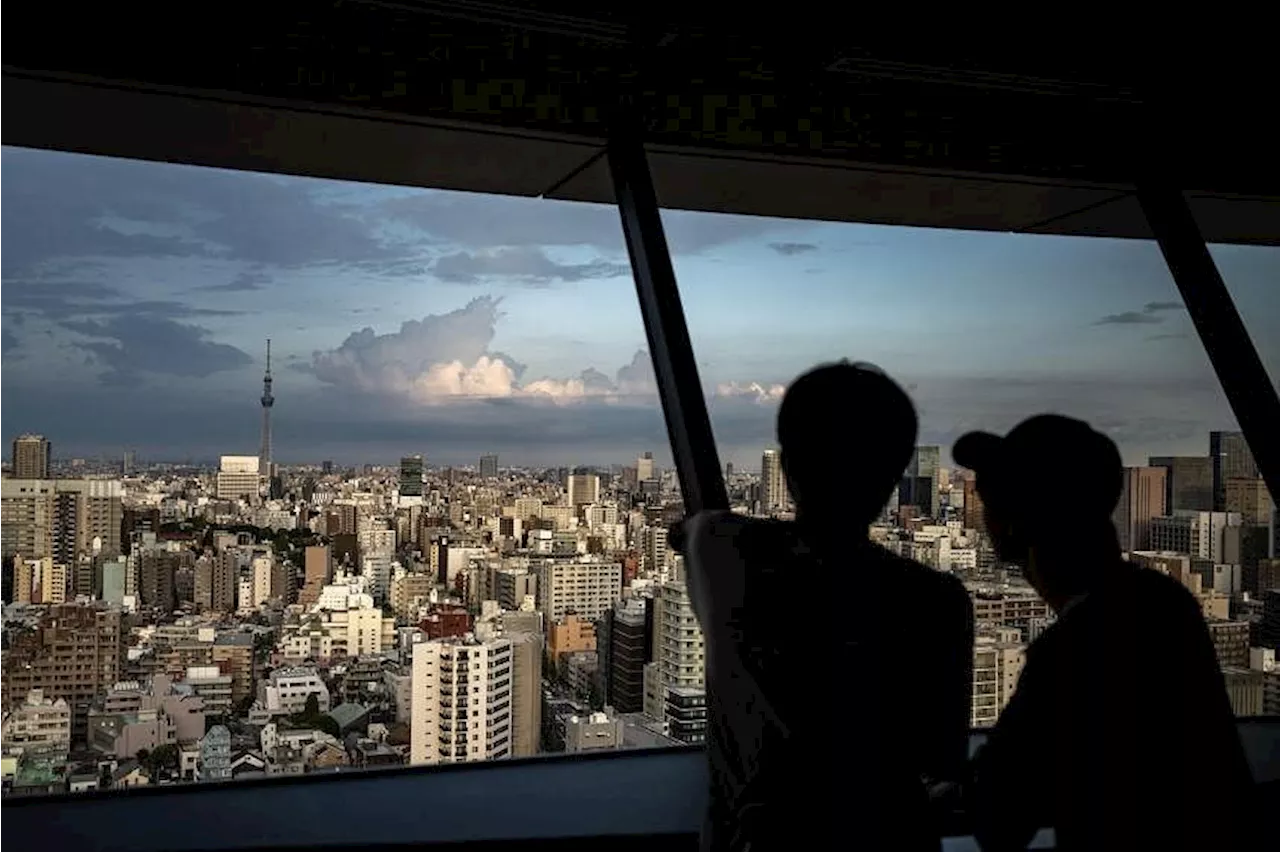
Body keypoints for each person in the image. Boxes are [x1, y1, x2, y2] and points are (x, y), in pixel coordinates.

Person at [680, 361, 974, 852]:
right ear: (895, 476)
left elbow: (691, 528)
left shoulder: (722, 554)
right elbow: (942, 761)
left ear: (788, 467)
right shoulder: (935, 602)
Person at [955, 414, 1256, 852]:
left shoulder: (1071, 650)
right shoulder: (1167, 604)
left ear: (1010, 528)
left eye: (991, 504)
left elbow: (1001, 817)